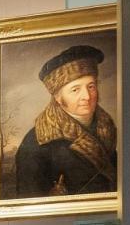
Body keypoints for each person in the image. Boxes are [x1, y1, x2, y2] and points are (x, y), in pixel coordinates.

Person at [14, 45, 117, 198]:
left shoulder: (106, 128)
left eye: (91, 86)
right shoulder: (36, 143)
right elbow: (29, 202)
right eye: (75, 89)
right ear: (57, 97)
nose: (87, 96)